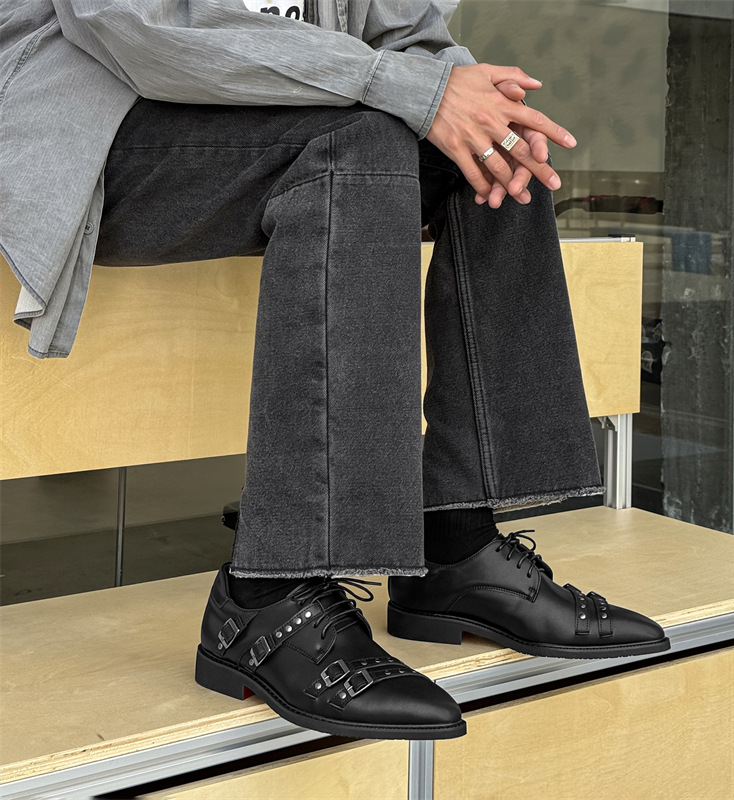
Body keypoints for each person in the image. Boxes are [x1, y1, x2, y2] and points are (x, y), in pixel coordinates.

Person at [0, 0, 669, 741]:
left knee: (494, 150)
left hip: (283, 131)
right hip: (97, 133)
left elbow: (411, 39)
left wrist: (481, 109)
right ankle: (267, 595)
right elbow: (134, 27)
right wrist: (411, 90)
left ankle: (455, 544)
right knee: (362, 142)